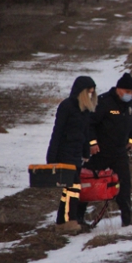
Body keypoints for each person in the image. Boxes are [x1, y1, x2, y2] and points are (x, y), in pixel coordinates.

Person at [78, 73, 132, 228]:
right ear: (118, 89)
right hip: (100, 152)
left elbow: (131, 122)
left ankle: (127, 216)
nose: (129, 94)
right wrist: (92, 143)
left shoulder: (128, 104)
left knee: (125, 184)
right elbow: (90, 124)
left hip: (119, 152)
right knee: (88, 182)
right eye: (127, 91)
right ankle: (78, 218)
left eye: (131, 91)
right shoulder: (103, 102)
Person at [46, 76, 97, 233]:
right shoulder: (66, 106)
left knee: (70, 188)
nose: (91, 95)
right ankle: (70, 221)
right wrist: (51, 157)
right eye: (88, 92)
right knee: (73, 187)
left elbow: (85, 133)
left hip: (76, 155)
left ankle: (62, 221)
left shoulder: (85, 110)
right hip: (65, 153)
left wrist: (85, 151)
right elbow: (57, 132)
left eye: (92, 93)